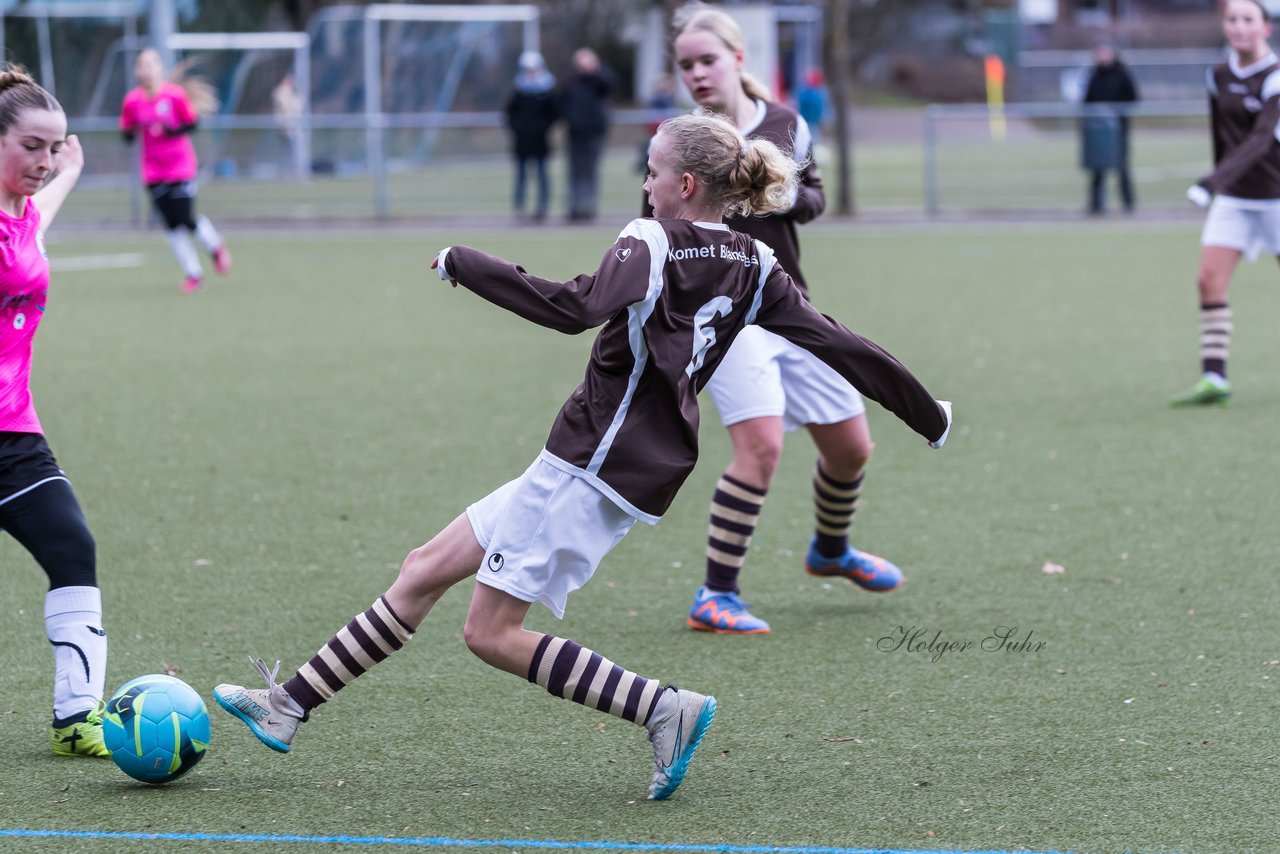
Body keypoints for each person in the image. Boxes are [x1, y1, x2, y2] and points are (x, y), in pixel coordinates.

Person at [212, 112, 952, 801]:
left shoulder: (650, 239)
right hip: (615, 462)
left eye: (653, 170)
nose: (645, 182)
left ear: (684, 185)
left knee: (489, 633)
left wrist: (467, 263)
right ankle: (289, 705)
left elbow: (571, 309)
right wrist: (927, 415)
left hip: (589, 463)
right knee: (424, 566)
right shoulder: (756, 262)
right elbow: (841, 342)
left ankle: (665, 708)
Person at [655, 5, 901, 635]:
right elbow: (656, 223)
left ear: (739, 59)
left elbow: (814, 196)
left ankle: (830, 550)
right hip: (723, 317)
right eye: (686, 65)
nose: (698, 74)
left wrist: (784, 192)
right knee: (760, 448)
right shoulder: (681, 140)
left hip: (788, 305)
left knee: (851, 449)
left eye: (707, 60)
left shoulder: (786, 125)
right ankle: (715, 595)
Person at [0, 65, 110, 759]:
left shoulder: (24, 213)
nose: (43, 161)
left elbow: (37, 225)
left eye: (54, 146)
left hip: (14, 434)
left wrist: (68, 168)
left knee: (73, 547)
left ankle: (76, 717)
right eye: (30, 147)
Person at [1177, 0, 1280, 407]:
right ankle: (1214, 378)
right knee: (1208, 280)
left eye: (1247, 20)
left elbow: (1259, 141)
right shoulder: (1217, 75)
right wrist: (1220, 182)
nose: (1238, 27)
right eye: (1231, 19)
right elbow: (1221, 136)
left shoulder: (1275, 77)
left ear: (1265, 28)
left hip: (1276, 196)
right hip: (1236, 198)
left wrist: (1210, 182)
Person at [120, 48, 231, 294]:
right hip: (152, 170)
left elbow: (192, 123)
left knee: (185, 218)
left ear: (159, 67)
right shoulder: (133, 101)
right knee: (171, 224)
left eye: (151, 64)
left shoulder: (174, 95)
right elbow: (127, 134)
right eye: (142, 65)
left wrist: (171, 131)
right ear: (137, 70)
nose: (147, 69)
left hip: (180, 167)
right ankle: (193, 274)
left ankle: (215, 247)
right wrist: (132, 131)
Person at [1081, 42, 1139, 215]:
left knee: (1122, 166)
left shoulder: (1122, 73)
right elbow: (1086, 99)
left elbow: (1133, 97)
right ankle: (1096, 204)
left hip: (1118, 127)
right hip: (1098, 128)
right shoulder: (1094, 74)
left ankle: (1128, 204)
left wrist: (1114, 109)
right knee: (1098, 167)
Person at [558, 47, 615, 222]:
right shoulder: (571, 82)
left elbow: (610, 84)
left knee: (591, 172)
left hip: (594, 133)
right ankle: (574, 208)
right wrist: (571, 119)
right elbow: (562, 103)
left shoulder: (598, 81)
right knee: (574, 173)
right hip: (575, 134)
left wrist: (595, 70)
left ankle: (589, 208)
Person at [504, 51, 558, 221]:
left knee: (542, 175)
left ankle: (542, 207)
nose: (531, 73)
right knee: (521, 176)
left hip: (540, 141)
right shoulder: (519, 92)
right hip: (522, 142)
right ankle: (519, 208)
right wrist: (519, 129)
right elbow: (509, 114)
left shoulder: (546, 92)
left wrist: (542, 128)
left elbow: (553, 114)